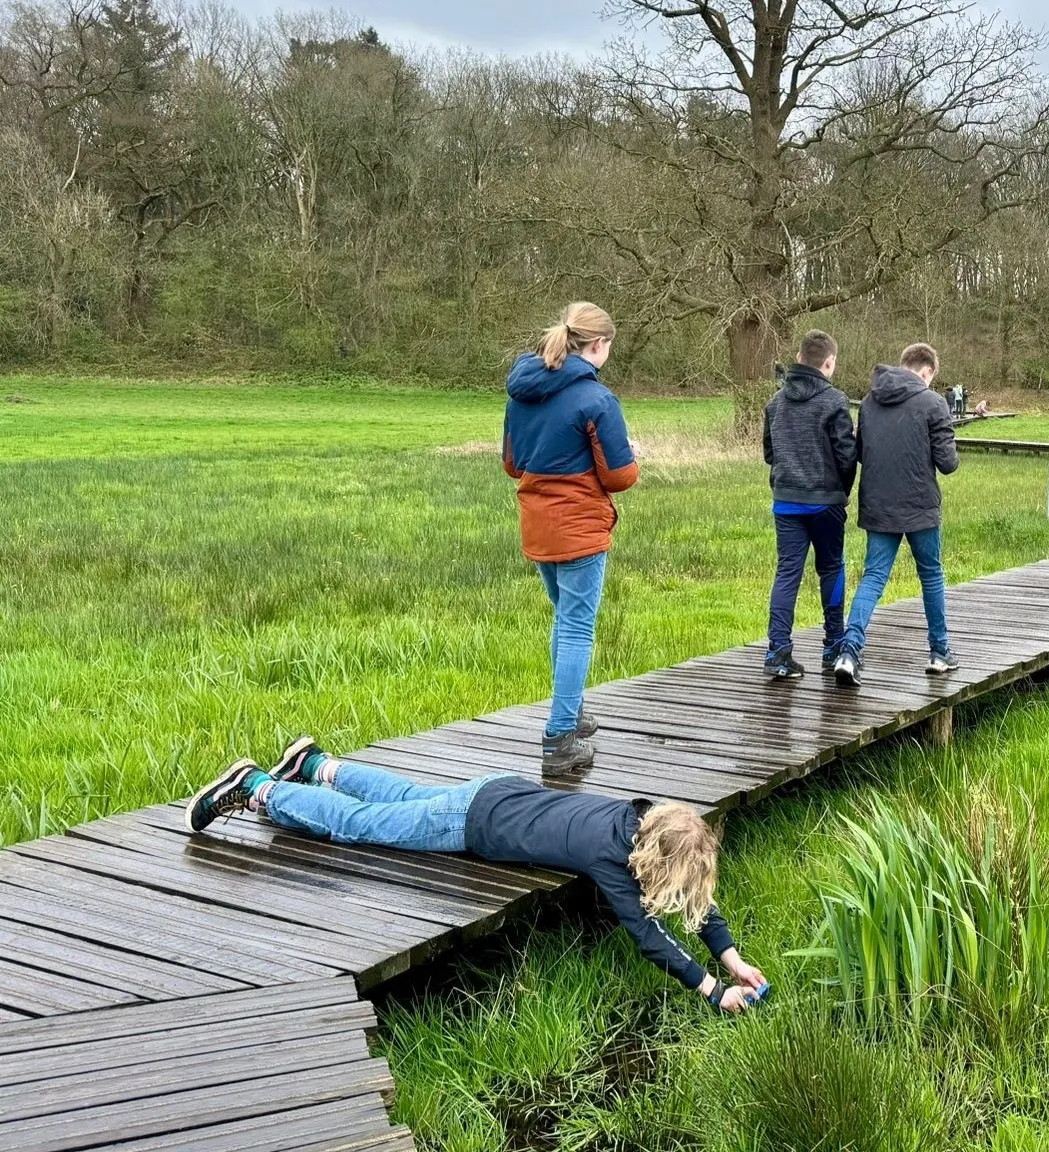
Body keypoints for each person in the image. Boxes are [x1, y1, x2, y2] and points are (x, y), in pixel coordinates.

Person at [184, 737, 768, 1014]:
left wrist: (731, 956)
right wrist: (712, 991)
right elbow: (647, 934)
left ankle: (316, 765)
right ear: (655, 861)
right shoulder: (608, 859)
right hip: (474, 823)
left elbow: (692, 896)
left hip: (497, 788)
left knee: (406, 796)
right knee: (364, 826)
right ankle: (258, 789)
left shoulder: (640, 818)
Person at [502, 303, 637, 778]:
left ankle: (572, 711)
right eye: (609, 348)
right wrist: (632, 454)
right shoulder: (596, 399)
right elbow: (620, 476)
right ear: (597, 346)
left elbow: (513, 464)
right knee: (578, 626)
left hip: (536, 522)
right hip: (579, 526)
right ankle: (560, 738)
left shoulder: (521, 391)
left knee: (564, 618)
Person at [831, 342, 959, 687]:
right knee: (931, 575)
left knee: (873, 578)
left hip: (878, 505)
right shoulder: (934, 402)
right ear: (927, 371)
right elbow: (948, 464)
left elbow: (859, 453)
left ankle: (849, 652)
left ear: (904, 364)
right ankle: (940, 652)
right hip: (920, 507)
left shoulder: (871, 403)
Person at [761, 330, 857, 680]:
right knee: (831, 568)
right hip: (825, 501)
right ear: (828, 363)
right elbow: (847, 456)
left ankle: (777, 651)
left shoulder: (775, 402)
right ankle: (833, 646)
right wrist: (841, 491)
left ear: (798, 357)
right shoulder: (834, 401)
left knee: (787, 572)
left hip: (786, 500)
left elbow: (770, 454)